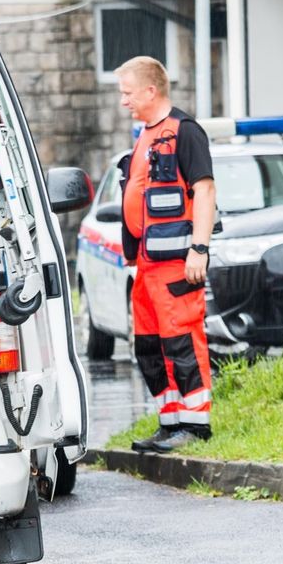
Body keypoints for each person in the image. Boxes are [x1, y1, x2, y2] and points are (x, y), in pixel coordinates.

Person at [116, 56, 217, 453]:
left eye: (127, 92)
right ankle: (170, 420)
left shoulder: (185, 131)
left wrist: (200, 249)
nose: (124, 100)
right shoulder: (144, 134)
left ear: (150, 91)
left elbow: (205, 191)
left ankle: (195, 425)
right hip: (147, 264)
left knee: (182, 342)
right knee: (150, 346)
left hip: (176, 262)